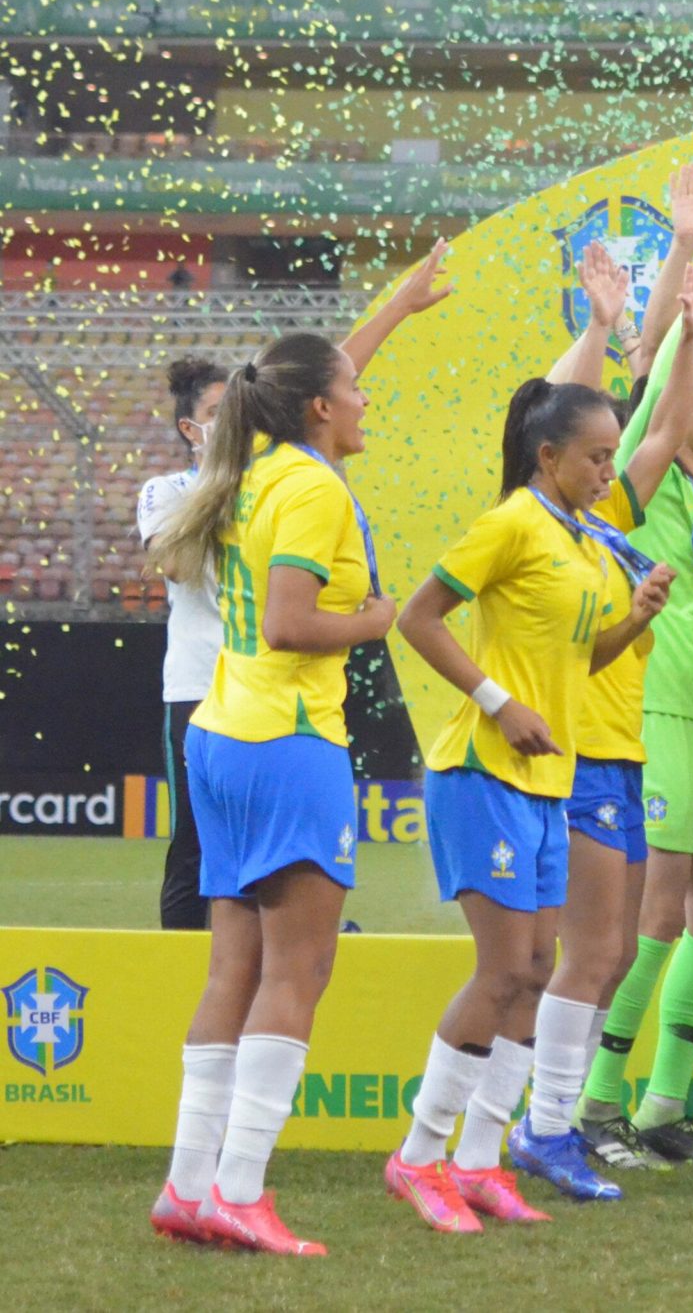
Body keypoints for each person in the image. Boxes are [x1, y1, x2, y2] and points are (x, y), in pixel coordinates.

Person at [389, 378, 672, 1227]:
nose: (607, 469)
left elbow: (578, 665)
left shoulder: (586, 540)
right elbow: (417, 616)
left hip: (551, 779)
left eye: (612, 454)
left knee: (542, 972)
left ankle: (481, 1161)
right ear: (547, 456)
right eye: (594, 455)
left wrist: (636, 617)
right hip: (483, 771)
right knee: (505, 969)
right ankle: (418, 1155)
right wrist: (496, 702)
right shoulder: (512, 521)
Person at [144, 332, 398, 1254]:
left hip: (221, 727)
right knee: (300, 972)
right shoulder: (314, 486)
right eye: (355, 388)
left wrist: (400, 304)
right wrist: (374, 620)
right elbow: (294, 622)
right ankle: (241, 1190)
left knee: (234, 969)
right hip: (286, 737)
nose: (367, 400)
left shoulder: (252, 470)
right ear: (321, 408)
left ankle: (187, 1185)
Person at [575, 173, 693, 1165]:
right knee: (658, 913)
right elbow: (649, 390)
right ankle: (595, 1100)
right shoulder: (643, 486)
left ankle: (662, 1105)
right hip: (665, 710)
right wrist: (690, 266)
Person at [140, 356, 229, 931]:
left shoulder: (272, 488)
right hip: (199, 687)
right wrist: (219, 480)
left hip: (266, 684)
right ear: (189, 429)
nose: (231, 423)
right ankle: (179, 973)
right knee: (194, 844)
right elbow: (174, 563)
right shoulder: (165, 489)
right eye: (217, 414)